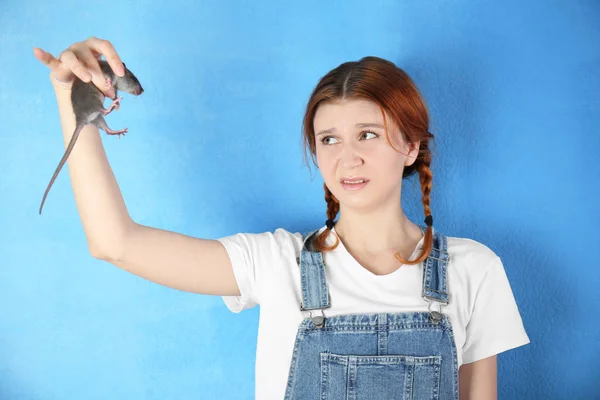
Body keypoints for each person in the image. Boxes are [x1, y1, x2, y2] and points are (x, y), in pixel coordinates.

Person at [33, 37, 530, 399]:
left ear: (410, 147)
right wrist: (70, 98)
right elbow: (114, 242)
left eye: (369, 134)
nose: (347, 158)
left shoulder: (473, 269)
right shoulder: (273, 262)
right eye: (329, 139)